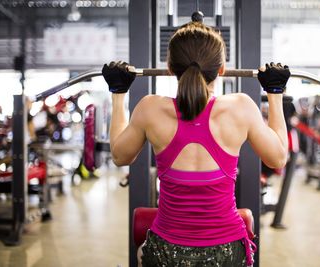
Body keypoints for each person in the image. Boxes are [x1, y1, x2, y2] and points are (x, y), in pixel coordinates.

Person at [102, 21, 290, 267]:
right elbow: (277, 158)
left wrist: (118, 93)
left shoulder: (150, 109)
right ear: (221, 69)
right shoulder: (241, 108)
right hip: (227, 254)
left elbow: (119, 155)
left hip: (166, 253)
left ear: (170, 68)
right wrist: (275, 93)